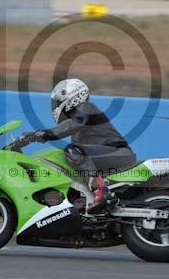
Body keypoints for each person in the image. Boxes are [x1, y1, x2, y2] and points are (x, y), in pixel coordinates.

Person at [28, 78, 136, 214]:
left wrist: (45, 133)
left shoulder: (86, 107)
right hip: (109, 154)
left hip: (117, 152)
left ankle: (101, 191)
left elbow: (73, 124)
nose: (55, 106)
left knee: (72, 151)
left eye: (58, 102)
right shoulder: (77, 127)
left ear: (71, 96)